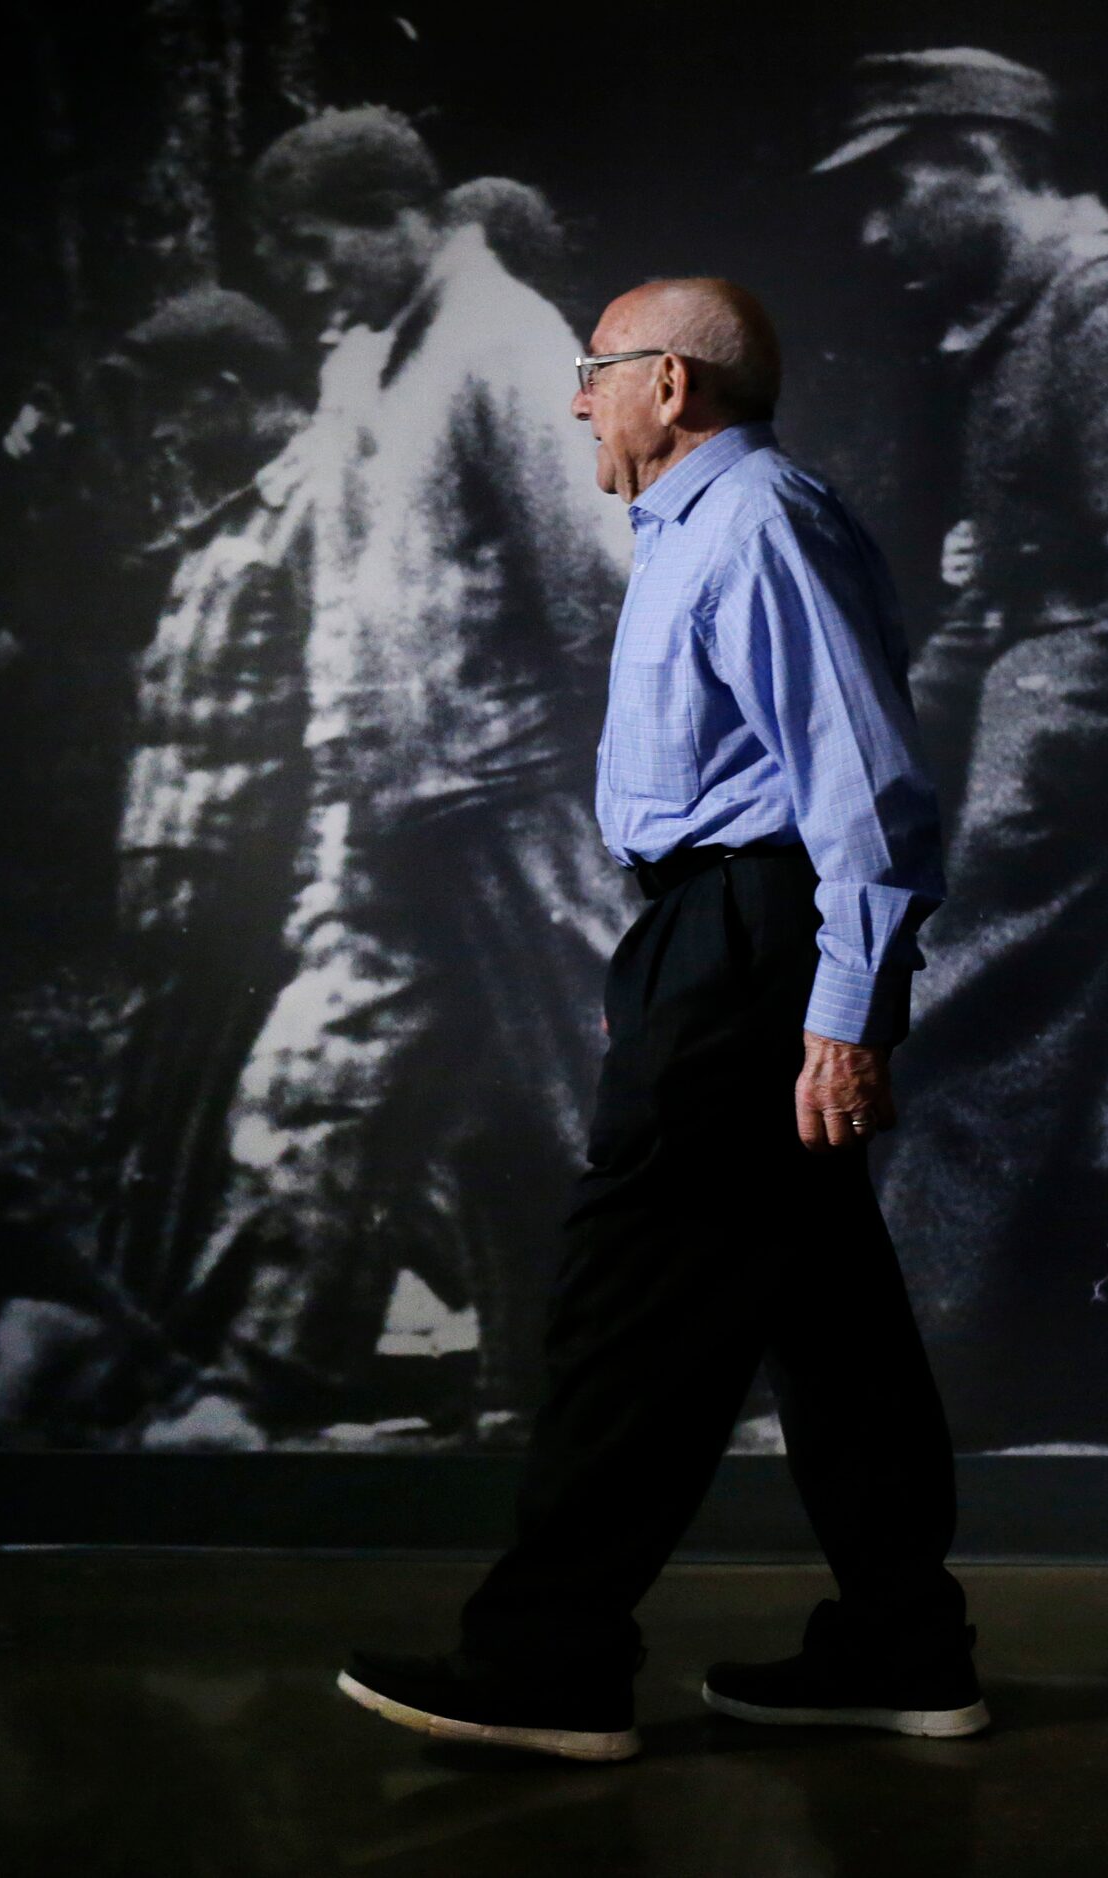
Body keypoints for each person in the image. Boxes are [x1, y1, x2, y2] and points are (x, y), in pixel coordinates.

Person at [338, 276, 973, 1763]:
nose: (572, 402)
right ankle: (902, 1643)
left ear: (669, 385)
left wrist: (839, 1012)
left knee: (629, 1300)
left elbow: (863, 783)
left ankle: (548, 1658)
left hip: (752, 941)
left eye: (593, 372)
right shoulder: (703, 527)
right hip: (721, 930)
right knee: (829, 1321)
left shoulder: (753, 524)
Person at [154, 106, 632, 1452]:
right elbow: (348, 605)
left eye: (317, 250)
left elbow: (595, 576)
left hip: (520, 799)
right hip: (389, 806)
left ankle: (726, 1382)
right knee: (314, 1082)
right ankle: (257, 1385)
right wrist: (337, 785)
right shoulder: (364, 370)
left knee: (610, 1100)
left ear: (395, 216)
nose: (308, 283)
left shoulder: (507, 344)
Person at [823, 50, 1108, 1440]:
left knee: (956, 1041)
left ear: (983, 158)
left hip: (1102, 768)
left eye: (895, 187)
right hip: (1041, 743)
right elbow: (1008, 587)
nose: (871, 229)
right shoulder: (1026, 320)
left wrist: (1039, 773)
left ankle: (896, 1393)